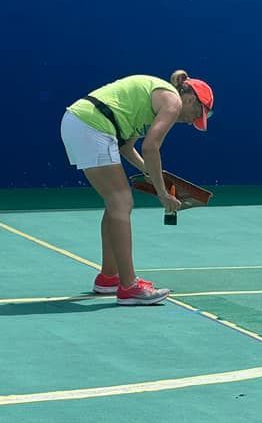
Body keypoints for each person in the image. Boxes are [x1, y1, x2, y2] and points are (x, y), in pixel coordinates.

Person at [60, 71, 214, 305]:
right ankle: (129, 286)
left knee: (115, 203)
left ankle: (108, 277)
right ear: (191, 99)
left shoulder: (155, 100)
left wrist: (151, 174)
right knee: (122, 202)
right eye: (197, 114)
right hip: (92, 126)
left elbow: (127, 147)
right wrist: (162, 193)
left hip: (82, 122)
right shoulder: (172, 102)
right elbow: (151, 148)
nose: (193, 121)